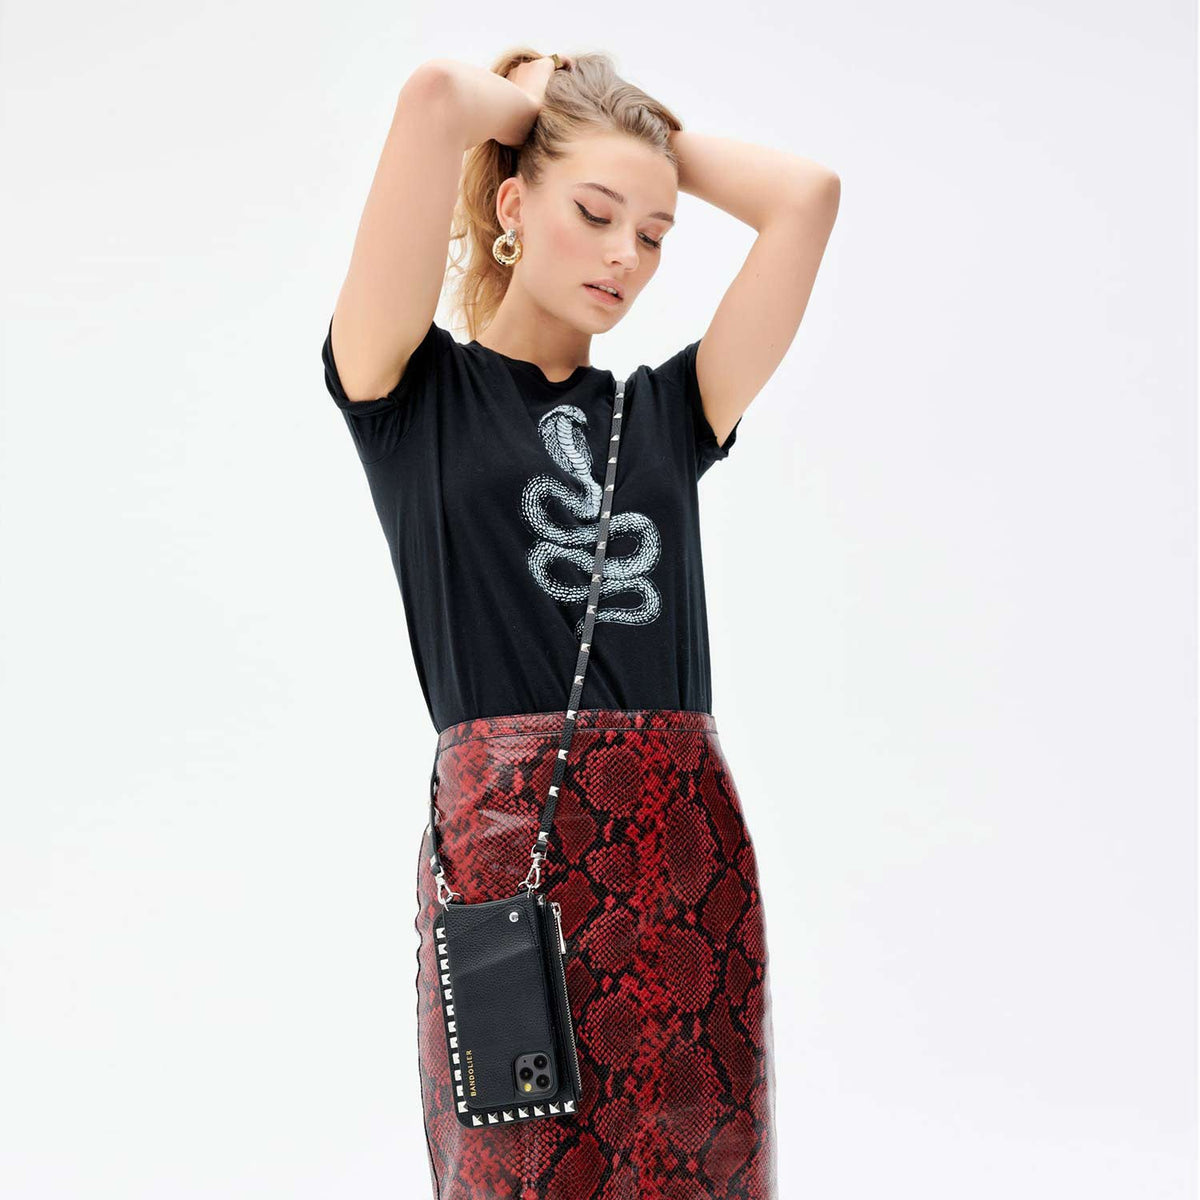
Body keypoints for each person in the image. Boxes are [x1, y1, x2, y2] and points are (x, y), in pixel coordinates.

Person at [320, 47, 839, 1200]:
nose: (625, 257)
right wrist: (537, 105)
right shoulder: (409, 395)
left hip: (685, 859)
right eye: (596, 214)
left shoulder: (669, 412)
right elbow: (432, 101)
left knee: (708, 1171)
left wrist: (646, 146)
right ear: (513, 207)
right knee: (520, 1169)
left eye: (652, 234)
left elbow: (807, 198)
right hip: (513, 856)